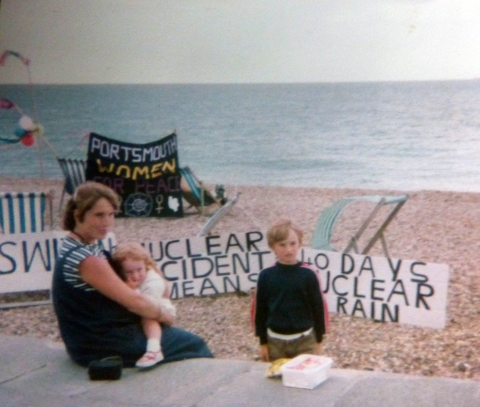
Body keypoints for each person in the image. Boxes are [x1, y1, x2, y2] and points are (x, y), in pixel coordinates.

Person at [52, 181, 213, 368]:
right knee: (194, 344)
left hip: (88, 337)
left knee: (166, 335)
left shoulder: (76, 244)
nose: (107, 222)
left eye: (111, 214)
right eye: (99, 215)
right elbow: (133, 302)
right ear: (78, 214)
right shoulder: (87, 259)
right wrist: (164, 314)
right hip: (100, 343)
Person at [254, 218, 327, 362]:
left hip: (305, 341)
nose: (289, 249)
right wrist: (263, 342)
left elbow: (318, 308)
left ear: (300, 243)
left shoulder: (308, 274)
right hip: (275, 342)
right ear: (272, 246)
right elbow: (260, 311)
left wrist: (319, 340)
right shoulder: (266, 275)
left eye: (293, 243)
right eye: (282, 245)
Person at [110, 242, 176, 369]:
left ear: (146, 265)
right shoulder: (132, 278)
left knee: (148, 318)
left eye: (139, 270)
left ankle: (154, 349)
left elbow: (146, 305)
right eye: (129, 272)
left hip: (161, 310)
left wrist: (133, 291)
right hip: (146, 304)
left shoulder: (154, 282)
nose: (135, 275)